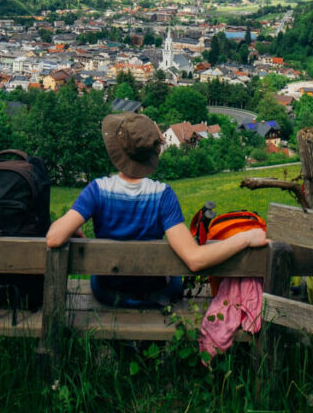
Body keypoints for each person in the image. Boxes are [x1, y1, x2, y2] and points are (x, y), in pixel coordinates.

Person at [46, 112, 269, 308]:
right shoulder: (163, 195)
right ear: (151, 155)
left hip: (108, 293)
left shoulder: (97, 190)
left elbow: (54, 238)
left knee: (98, 278)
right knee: (172, 279)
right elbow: (195, 259)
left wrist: (72, 230)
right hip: (156, 294)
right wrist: (246, 238)